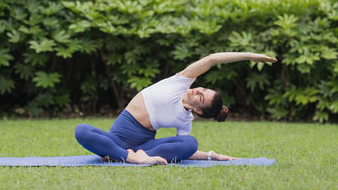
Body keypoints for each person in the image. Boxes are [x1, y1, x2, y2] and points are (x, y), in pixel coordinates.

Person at [75, 52, 277, 165]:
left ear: (199, 111)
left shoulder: (185, 120)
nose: (198, 90)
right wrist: (251, 56)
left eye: (201, 97)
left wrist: (212, 156)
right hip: (118, 138)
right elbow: (212, 59)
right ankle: (129, 157)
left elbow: (186, 151)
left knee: (190, 142)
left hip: (145, 147)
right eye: (203, 89)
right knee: (81, 130)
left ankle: (122, 155)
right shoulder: (181, 82)